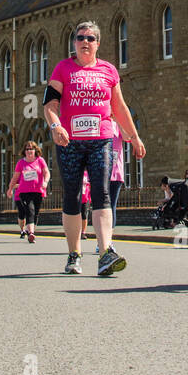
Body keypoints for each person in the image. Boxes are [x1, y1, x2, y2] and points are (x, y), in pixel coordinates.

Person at [43, 20, 145, 276]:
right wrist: (56, 127)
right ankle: (74, 254)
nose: (85, 42)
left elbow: (119, 107)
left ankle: (104, 253)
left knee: (102, 193)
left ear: (98, 43)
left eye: (90, 38)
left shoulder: (109, 71)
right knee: (72, 196)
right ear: (74, 43)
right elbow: (50, 105)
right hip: (70, 143)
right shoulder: (62, 69)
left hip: (101, 140)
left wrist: (134, 137)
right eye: (80, 38)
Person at [9, 141, 50, 244]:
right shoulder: (21, 163)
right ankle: (31, 233)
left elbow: (46, 172)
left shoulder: (40, 161)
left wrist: (45, 182)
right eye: (27, 149)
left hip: (38, 191)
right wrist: (10, 189)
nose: (29, 151)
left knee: (35, 212)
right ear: (24, 151)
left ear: (35, 150)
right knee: (29, 210)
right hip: (24, 192)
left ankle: (31, 230)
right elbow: (15, 177)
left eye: (31, 149)